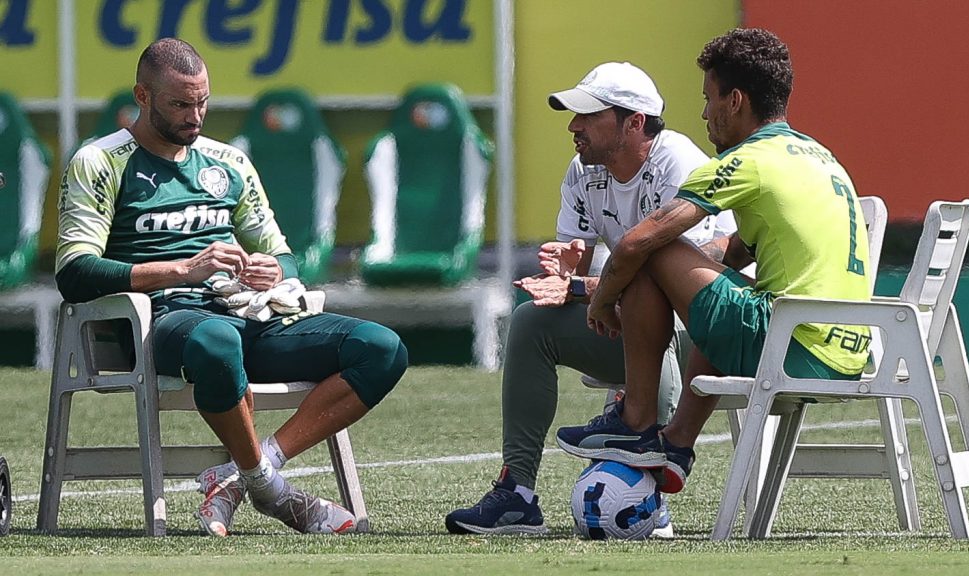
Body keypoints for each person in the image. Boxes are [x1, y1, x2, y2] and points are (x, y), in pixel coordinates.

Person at [54, 38, 408, 536]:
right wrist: (183, 270)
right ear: (143, 96)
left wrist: (273, 271)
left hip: (245, 315)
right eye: (180, 104)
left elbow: (282, 253)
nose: (194, 116)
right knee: (218, 341)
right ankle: (276, 495)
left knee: (382, 347)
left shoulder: (229, 162)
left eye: (202, 102)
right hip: (160, 324)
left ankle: (247, 475)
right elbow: (73, 272)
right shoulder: (100, 162)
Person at [555, 28, 873, 498]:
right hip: (849, 347)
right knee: (702, 278)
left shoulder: (749, 160)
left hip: (793, 346)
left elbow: (635, 245)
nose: (704, 113)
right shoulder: (816, 154)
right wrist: (666, 281)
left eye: (708, 99)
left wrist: (601, 300)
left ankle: (636, 421)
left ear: (736, 101)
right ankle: (678, 442)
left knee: (650, 244)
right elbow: (736, 252)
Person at [444, 62, 736, 536]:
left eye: (588, 115)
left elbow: (674, 286)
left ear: (635, 122)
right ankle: (516, 493)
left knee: (655, 326)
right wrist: (568, 271)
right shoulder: (583, 171)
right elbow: (579, 276)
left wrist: (581, 286)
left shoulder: (679, 163)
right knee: (531, 323)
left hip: (708, 343)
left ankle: (647, 496)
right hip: (634, 321)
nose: (573, 126)